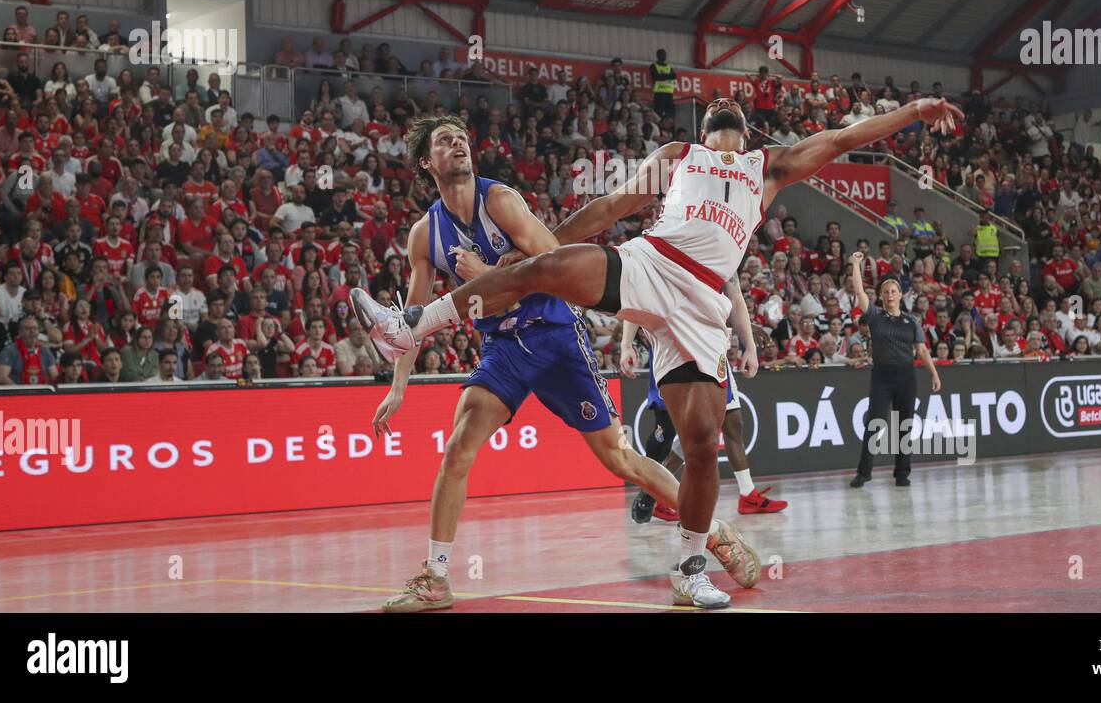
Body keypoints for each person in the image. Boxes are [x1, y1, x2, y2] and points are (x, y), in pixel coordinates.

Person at [360, 94, 962, 607]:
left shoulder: (768, 167)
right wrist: (539, 254)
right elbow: (610, 208)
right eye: (717, 111)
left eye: (734, 112)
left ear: (745, 133)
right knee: (549, 268)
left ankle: (690, 569)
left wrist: (914, 110)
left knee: (700, 445)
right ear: (703, 132)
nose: (725, 112)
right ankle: (415, 324)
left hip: (702, 308)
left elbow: (844, 135)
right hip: (651, 265)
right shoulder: (678, 158)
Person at [349, 115, 756, 613]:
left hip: (557, 335)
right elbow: (412, 322)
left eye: (461, 137)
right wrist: (398, 387)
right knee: (458, 446)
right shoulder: (423, 235)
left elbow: (552, 259)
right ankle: (435, 577)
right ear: (424, 162)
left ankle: (712, 532)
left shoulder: (499, 200)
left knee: (618, 460)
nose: (457, 144)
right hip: (503, 347)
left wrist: (490, 272)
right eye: (444, 141)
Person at [621, 303, 787, 521]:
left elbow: (720, 301)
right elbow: (641, 304)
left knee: (729, 423)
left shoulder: (716, 275)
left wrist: (743, 328)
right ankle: (656, 493)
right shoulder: (659, 275)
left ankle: (747, 494)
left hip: (712, 351)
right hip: (674, 351)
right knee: (671, 433)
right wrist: (626, 345)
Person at [847, 252, 942, 488]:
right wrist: (855, 264)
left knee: (905, 426)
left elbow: (921, 350)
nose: (890, 294)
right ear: (881, 296)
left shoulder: (911, 321)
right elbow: (859, 292)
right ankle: (864, 472)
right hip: (882, 376)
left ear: (900, 294)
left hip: (907, 377)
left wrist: (934, 373)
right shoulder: (875, 316)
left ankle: (902, 473)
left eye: (894, 291)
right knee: (874, 424)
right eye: (886, 291)